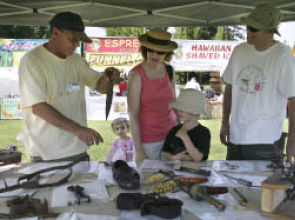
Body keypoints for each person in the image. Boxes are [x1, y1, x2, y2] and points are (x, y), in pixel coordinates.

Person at [18, 12, 120, 161]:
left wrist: (108, 77)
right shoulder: (32, 61)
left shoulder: (76, 60)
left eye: (78, 40)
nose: (76, 45)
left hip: (78, 149)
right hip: (47, 154)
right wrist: (77, 129)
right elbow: (38, 107)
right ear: (55, 33)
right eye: (72, 39)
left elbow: (101, 87)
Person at [220, 4, 295, 166]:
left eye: (253, 28)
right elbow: (230, 88)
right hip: (236, 138)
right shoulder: (239, 51)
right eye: (247, 26)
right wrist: (225, 122)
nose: (248, 31)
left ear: (270, 31)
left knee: (263, 189)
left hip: (266, 141)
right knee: (232, 186)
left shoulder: (283, 55)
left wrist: (293, 141)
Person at [127, 28, 178, 161]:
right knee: (150, 181)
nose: (155, 55)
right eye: (151, 50)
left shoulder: (170, 70)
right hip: (148, 142)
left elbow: (175, 105)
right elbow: (133, 115)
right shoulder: (136, 75)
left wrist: (181, 132)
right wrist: (139, 150)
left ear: (167, 52)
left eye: (160, 52)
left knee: (172, 179)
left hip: (171, 137)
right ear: (145, 49)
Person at [162, 89, 210, 162]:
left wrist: (185, 137)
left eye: (184, 108)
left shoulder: (203, 132)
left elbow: (198, 158)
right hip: (176, 171)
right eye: (179, 108)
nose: (179, 111)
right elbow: (165, 152)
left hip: (196, 171)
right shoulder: (174, 130)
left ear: (195, 112)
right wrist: (173, 157)